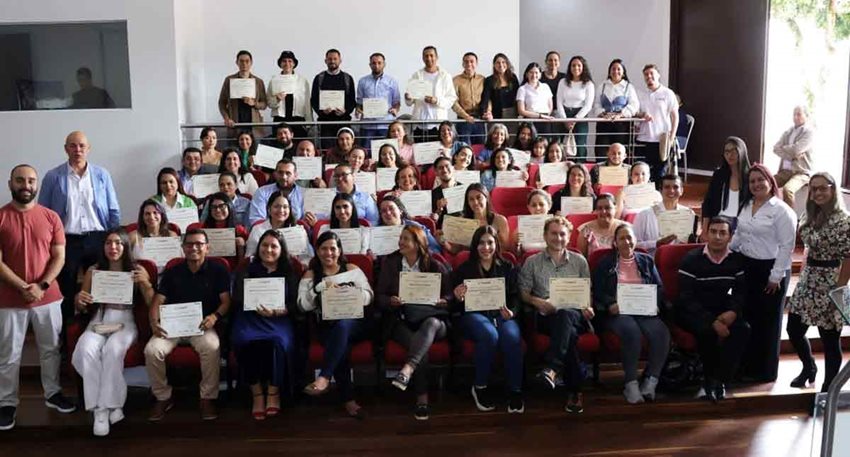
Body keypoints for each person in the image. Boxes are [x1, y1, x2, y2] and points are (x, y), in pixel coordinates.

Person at [0, 164, 75, 431]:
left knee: (51, 350)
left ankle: (53, 393)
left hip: (48, 296)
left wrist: (41, 285)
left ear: (37, 185)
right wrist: (23, 286)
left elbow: (59, 256)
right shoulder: (0, 217)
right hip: (9, 299)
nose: (26, 185)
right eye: (20, 180)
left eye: (31, 180)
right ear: (10, 184)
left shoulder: (52, 217)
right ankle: (7, 403)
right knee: (9, 354)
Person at [72, 228, 154, 435]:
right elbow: (82, 305)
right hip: (98, 320)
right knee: (84, 351)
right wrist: (79, 301)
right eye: (108, 243)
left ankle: (101, 410)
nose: (113, 247)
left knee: (112, 351)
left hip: (125, 322)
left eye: (118, 243)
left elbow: (153, 304)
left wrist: (145, 282)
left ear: (125, 246)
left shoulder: (136, 270)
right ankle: (108, 406)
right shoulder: (94, 270)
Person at [144, 228, 231, 422]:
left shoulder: (218, 270)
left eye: (199, 244)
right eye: (189, 244)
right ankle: (163, 397)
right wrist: (153, 323)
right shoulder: (173, 271)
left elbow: (226, 302)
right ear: (183, 248)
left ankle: (207, 398)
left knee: (211, 347)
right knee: (152, 350)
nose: (194, 248)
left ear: (207, 248)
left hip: (202, 325)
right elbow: (158, 301)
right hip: (172, 325)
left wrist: (215, 317)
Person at [39, 131, 120, 321]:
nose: (77, 150)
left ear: (88, 148)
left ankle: (94, 327)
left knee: (99, 287)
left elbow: (113, 208)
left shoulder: (101, 175)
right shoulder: (53, 176)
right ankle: (66, 338)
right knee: (66, 289)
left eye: (81, 146)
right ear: (66, 149)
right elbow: (43, 213)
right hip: (66, 241)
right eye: (73, 145)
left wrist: (112, 237)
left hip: (98, 238)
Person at [377, 225, 452, 420]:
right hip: (402, 320)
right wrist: (391, 300)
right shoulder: (391, 264)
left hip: (433, 319)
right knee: (419, 346)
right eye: (400, 238)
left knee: (431, 325)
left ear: (417, 244)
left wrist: (446, 300)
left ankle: (407, 369)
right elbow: (380, 297)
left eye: (406, 239)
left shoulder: (434, 264)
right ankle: (422, 400)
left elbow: (451, 294)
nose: (401, 242)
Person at [730, 164, 797, 382]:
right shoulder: (747, 205)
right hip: (748, 266)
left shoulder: (782, 210)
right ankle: (746, 365)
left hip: (771, 271)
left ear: (770, 182)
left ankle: (764, 372)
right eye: (752, 181)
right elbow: (739, 234)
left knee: (767, 323)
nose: (757, 184)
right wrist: (726, 252)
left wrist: (775, 276)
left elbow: (787, 246)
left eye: (761, 180)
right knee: (749, 317)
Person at [519, 216, 592, 413]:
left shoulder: (579, 261)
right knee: (569, 335)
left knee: (566, 316)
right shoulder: (532, 262)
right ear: (545, 235)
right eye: (553, 233)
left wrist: (588, 307)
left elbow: (587, 293)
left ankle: (552, 368)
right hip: (545, 316)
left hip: (575, 315)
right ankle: (574, 390)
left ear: (568, 237)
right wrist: (538, 301)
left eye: (562, 234)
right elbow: (523, 293)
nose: (558, 238)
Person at [298, 231, 373, 418]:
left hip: (356, 323)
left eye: (333, 248)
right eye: (324, 248)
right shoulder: (311, 273)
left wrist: (350, 293)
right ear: (317, 251)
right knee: (341, 342)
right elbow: (302, 305)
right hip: (326, 326)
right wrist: (319, 289)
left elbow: (369, 296)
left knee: (343, 327)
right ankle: (349, 401)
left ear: (339, 250)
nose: (328, 253)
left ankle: (324, 377)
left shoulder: (351, 269)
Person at [786, 172, 850, 392]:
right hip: (809, 278)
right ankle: (808, 367)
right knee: (793, 328)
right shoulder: (808, 214)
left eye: (823, 188)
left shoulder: (845, 220)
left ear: (833, 189)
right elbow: (807, 249)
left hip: (833, 280)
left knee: (830, 340)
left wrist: (839, 292)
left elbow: (848, 258)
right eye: (814, 189)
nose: (818, 192)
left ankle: (828, 390)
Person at [592, 223, 669, 404]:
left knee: (662, 333)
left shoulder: (646, 261)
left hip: (644, 309)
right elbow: (598, 291)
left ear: (635, 240)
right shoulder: (605, 263)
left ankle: (651, 380)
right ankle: (630, 383)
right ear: (615, 242)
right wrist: (610, 303)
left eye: (630, 237)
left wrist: (655, 304)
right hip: (618, 312)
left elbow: (658, 287)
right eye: (622, 238)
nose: (626, 242)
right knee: (631, 332)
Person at [675, 216, 749, 402]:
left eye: (723, 232)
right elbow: (685, 298)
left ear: (730, 236)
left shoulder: (736, 260)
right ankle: (707, 381)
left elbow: (740, 292)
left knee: (742, 329)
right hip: (692, 311)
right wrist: (712, 321)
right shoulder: (692, 259)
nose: (717, 236)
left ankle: (720, 380)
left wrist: (732, 312)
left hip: (722, 310)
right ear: (706, 234)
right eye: (713, 232)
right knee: (706, 332)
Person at [453, 226, 524, 413]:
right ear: (475, 246)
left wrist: (512, 312)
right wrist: (457, 296)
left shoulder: (507, 267)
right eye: (481, 243)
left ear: (496, 244)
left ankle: (515, 390)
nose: (486, 247)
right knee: (489, 334)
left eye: (490, 242)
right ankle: (480, 386)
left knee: (511, 337)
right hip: (474, 316)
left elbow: (516, 297)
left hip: (502, 314)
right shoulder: (464, 269)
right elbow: (455, 305)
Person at [231, 229, 299, 420]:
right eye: (264, 245)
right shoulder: (247, 269)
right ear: (258, 247)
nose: (268, 249)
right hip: (250, 317)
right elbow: (237, 297)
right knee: (242, 340)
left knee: (278, 342)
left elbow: (295, 304)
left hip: (279, 319)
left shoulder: (289, 271)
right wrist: (252, 303)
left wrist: (281, 311)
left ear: (281, 249)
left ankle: (273, 392)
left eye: (274, 246)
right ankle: (257, 394)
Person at [635, 64, 679, 187]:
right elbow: (636, 113)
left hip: (661, 140)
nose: (649, 76)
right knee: (642, 173)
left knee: (659, 174)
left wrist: (671, 137)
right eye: (646, 74)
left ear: (658, 75)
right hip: (643, 139)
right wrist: (640, 114)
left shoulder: (668, 93)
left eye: (651, 73)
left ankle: (658, 200)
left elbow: (675, 116)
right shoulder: (641, 94)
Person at [404, 46, 458, 142]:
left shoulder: (445, 76)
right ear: (423, 58)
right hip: (419, 124)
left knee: (437, 154)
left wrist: (437, 100)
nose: (429, 58)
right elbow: (409, 102)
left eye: (431, 55)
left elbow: (451, 99)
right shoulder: (416, 75)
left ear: (436, 57)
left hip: (438, 125)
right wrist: (408, 98)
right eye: (426, 56)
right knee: (420, 153)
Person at [633, 174, 696, 256]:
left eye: (676, 187)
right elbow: (634, 245)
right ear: (660, 191)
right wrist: (656, 243)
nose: (672, 191)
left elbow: (692, 244)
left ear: (681, 191)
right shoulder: (644, 215)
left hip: (680, 261)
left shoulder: (688, 213)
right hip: (652, 262)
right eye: (667, 187)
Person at [245, 191, 314, 265]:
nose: (281, 210)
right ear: (269, 209)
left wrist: (301, 265)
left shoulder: (299, 231)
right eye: (276, 206)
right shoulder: (258, 230)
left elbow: (308, 258)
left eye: (285, 207)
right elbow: (249, 257)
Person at [700, 136, 750, 236]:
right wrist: (705, 229)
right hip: (720, 221)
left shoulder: (750, 176)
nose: (729, 155)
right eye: (726, 152)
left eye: (733, 151)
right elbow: (708, 203)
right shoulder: (719, 175)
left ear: (742, 152)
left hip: (742, 224)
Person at [442, 184, 509, 255]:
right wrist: (444, 241)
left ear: (486, 198)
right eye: (471, 199)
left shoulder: (500, 220)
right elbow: (456, 250)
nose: (475, 202)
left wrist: (490, 233)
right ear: (468, 202)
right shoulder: (462, 221)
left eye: (479, 197)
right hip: (470, 261)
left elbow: (504, 250)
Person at [593, 59, 639, 158]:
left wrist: (621, 115)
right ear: (609, 71)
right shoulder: (602, 86)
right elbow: (596, 104)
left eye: (618, 69)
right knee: (602, 151)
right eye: (613, 69)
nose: (615, 71)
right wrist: (602, 113)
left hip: (622, 125)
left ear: (623, 73)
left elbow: (634, 105)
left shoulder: (628, 87)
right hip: (604, 124)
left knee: (620, 152)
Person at [311, 49, 356, 149]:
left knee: (346, 149)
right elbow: (314, 100)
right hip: (325, 122)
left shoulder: (348, 78)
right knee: (327, 151)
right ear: (325, 61)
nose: (332, 61)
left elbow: (352, 101)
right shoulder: (319, 78)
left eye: (335, 59)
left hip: (343, 121)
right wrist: (322, 112)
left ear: (340, 60)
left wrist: (345, 111)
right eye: (330, 59)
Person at [218, 50, 267, 139]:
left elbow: (264, 104)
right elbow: (221, 102)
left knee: (254, 151)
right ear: (237, 62)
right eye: (241, 61)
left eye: (247, 61)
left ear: (251, 63)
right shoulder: (229, 80)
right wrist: (226, 118)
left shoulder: (258, 81)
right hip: (235, 124)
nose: (244, 64)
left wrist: (254, 103)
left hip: (254, 126)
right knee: (234, 151)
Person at [772, 105, 815, 208]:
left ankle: (789, 220)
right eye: (794, 114)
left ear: (806, 116)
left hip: (801, 172)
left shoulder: (809, 132)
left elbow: (797, 149)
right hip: (785, 171)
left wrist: (784, 148)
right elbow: (775, 148)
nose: (795, 117)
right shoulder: (788, 131)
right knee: (767, 183)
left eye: (799, 114)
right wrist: (792, 156)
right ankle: (769, 214)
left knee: (788, 190)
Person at [355, 52, 400, 145]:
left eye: (379, 63)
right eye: (374, 63)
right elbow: (359, 102)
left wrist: (395, 109)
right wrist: (358, 110)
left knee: (386, 153)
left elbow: (396, 101)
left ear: (384, 64)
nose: (376, 65)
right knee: (366, 154)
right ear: (370, 65)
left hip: (386, 125)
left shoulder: (392, 81)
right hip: (367, 126)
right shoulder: (363, 81)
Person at [555, 56, 595, 160]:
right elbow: (559, 102)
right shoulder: (563, 82)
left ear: (583, 67)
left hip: (580, 117)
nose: (576, 68)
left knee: (580, 145)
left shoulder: (588, 84)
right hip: (564, 115)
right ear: (569, 67)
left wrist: (575, 120)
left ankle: (580, 169)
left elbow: (588, 106)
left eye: (579, 65)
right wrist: (565, 119)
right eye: (573, 65)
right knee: (562, 146)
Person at [267, 51, 312, 140]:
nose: (287, 63)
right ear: (280, 64)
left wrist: (309, 122)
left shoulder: (302, 80)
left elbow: (307, 102)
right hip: (280, 119)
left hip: (298, 118)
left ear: (294, 63)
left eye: (290, 61)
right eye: (284, 61)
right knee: (280, 147)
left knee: (299, 144)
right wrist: (277, 99)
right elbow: (269, 103)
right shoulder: (274, 80)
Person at [197, 192, 249, 264]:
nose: (218, 210)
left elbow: (245, 261)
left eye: (222, 206)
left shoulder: (239, 230)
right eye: (214, 207)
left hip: (232, 270)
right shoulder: (203, 230)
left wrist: (241, 247)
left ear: (229, 207)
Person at [249, 159, 304, 226]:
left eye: (288, 173)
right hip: (267, 233)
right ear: (275, 174)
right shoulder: (262, 192)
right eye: (280, 173)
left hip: (295, 233)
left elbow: (305, 222)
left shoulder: (304, 194)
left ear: (295, 176)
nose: (284, 177)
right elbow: (256, 220)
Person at [129, 199, 180, 264]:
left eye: (155, 212)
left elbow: (178, 261)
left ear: (162, 215)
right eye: (147, 214)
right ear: (142, 217)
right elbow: (126, 261)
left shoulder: (172, 235)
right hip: (140, 273)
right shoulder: (133, 236)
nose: (151, 217)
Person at [452, 52, 486, 145]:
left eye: (472, 61)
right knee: (464, 147)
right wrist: (465, 116)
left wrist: (488, 111)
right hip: (463, 120)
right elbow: (453, 102)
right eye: (466, 62)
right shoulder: (456, 80)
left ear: (476, 63)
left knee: (480, 147)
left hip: (479, 119)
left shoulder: (482, 79)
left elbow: (487, 98)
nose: (469, 64)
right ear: (463, 64)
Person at [576, 193, 624, 258]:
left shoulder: (625, 228)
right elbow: (581, 259)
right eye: (599, 208)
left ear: (615, 208)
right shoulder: (585, 230)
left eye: (607, 208)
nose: (603, 211)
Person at [480, 53, 520, 125]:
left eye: (503, 62)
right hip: (496, 114)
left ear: (507, 64)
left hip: (512, 113)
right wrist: (486, 112)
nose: (501, 65)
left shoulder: (513, 78)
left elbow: (518, 95)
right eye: (498, 63)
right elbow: (486, 98)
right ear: (494, 65)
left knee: (511, 135)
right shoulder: (489, 80)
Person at [516, 63, 554, 136]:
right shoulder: (522, 89)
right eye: (531, 72)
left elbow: (550, 106)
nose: (534, 75)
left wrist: (546, 116)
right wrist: (539, 116)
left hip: (545, 120)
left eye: (536, 73)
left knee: (545, 143)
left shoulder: (545, 87)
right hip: (530, 121)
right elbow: (521, 111)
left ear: (540, 74)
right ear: (527, 74)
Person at [514, 189, 552, 255]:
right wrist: (517, 244)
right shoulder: (522, 225)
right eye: (534, 205)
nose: (537, 208)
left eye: (541, 204)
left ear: (549, 206)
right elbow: (517, 254)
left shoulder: (556, 225)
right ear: (528, 207)